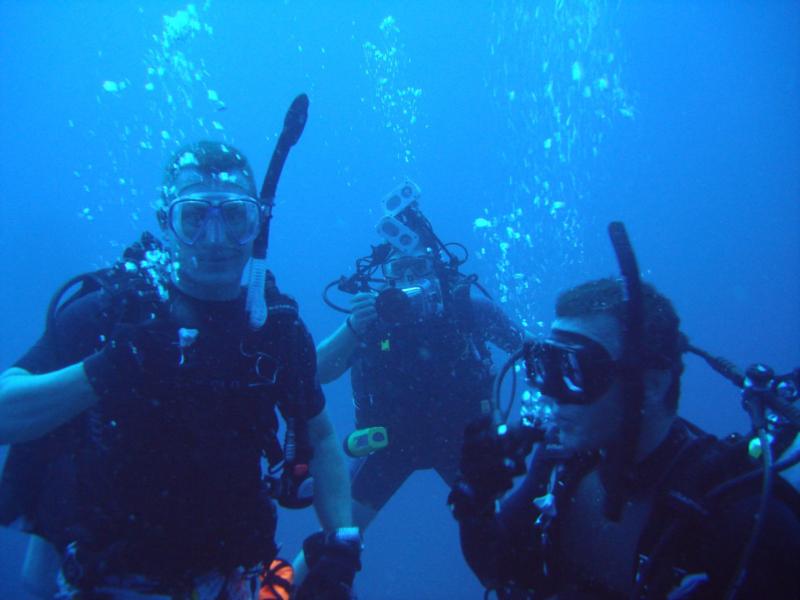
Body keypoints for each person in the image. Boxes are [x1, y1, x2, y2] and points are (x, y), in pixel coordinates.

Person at [0, 141, 361, 599]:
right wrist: (105, 370)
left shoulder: (276, 330)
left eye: (235, 216)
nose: (215, 240)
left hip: (235, 577)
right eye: (193, 218)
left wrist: (342, 542)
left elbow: (323, 437)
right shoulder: (111, 314)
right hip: (111, 580)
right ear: (165, 224)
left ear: (258, 223)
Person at [450, 273, 800, 599]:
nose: (551, 394)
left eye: (573, 370)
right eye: (547, 368)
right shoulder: (562, 461)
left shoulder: (739, 522)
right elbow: (502, 571)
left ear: (652, 384)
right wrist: (475, 501)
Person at [315, 180, 524, 530]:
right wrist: (353, 327)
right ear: (385, 277)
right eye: (399, 271)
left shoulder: (468, 311)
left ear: (438, 270)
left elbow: (529, 352)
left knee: (502, 534)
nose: (411, 280)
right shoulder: (370, 321)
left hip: (462, 440)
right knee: (338, 536)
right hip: (389, 443)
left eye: (420, 268)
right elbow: (316, 372)